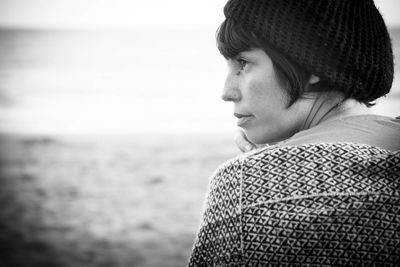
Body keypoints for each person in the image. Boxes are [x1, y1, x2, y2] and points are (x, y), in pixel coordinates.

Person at [188, 0, 400, 266]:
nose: (227, 92)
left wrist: (262, 171)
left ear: (312, 64)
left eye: (243, 63)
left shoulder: (243, 186)